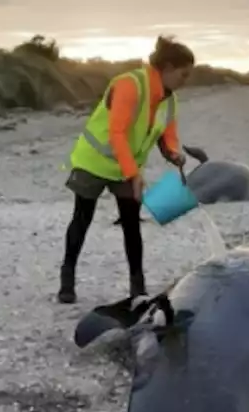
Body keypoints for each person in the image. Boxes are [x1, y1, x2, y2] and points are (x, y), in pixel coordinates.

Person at [57, 35, 196, 304]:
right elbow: (117, 132)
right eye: (184, 74)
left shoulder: (170, 100)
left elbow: (167, 134)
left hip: (126, 165)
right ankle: (67, 279)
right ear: (166, 68)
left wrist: (173, 153)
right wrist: (134, 175)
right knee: (82, 218)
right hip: (94, 161)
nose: (185, 81)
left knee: (132, 224)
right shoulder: (129, 84)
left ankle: (138, 287)